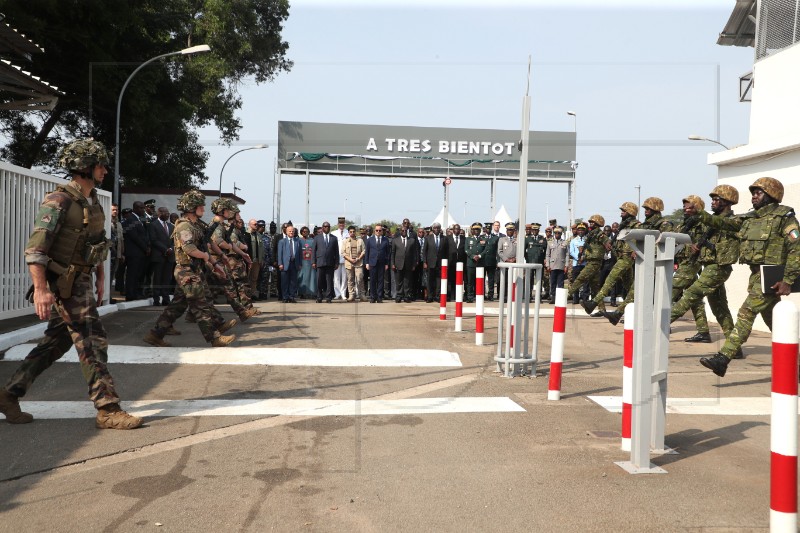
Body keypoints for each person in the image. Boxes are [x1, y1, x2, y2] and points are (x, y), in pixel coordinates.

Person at [0, 138, 141, 429]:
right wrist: (40, 289)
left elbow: (97, 244)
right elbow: (35, 249)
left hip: (83, 279)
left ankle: (9, 393)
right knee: (92, 339)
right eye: (100, 164)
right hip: (66, 283)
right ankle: (108, 408)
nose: (105, 169)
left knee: (56, 341)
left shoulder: (91, 202)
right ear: (84, 167)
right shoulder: (58, 201)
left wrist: (101, 276)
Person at [696, 177, 800, 377]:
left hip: (773, 277)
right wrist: (701, 215)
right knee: (777, 324)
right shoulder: (749, 218)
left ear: (771, 195)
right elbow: (723, 223)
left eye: (758, 192)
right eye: (753, 192)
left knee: (746, 313)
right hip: (757, 275)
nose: (753, 196)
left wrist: (788, 280)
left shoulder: (784, 218)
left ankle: (723, 358)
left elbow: (796, 249)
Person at [144, 190, 237, 349]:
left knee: (179, 306)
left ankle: (155, 334)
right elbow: (189, 249)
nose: (203, 208)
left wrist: (215, 264)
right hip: (186, 272)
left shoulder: (196, 225)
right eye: (200, 205)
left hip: (194, 270)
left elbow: (206, 245)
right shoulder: (184, 226)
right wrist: (206, 257)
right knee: (200, 305)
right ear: (191, 207)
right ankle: (214, 338)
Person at [670, 186, 739, 356]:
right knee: (719, 309)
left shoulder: (734, 220)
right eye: (713, 199)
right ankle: (735, 347)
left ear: (728, 201)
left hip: (719, 267)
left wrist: (699, 213)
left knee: (691, 294)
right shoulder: (711, 222)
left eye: (717, 200)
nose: (713, 202)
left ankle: (659, 324)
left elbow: (719, 222)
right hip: (710, 266)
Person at [582, 202, 639, 319]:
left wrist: (636, 251)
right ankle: (631, 313)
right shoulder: (624, 225)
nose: (621, 212)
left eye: (624, 210)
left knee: (610, 279)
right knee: (630, 289)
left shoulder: (636, 225)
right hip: (620, 256)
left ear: (631, 212)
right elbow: (620, 241)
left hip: (627, 258)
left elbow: (640, 240)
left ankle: (593, 303)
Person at [671, 196, 711, 342]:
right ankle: (703, 332)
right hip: (682, 261)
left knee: (670, 291)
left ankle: (660, 324)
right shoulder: (683, 224)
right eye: (684, 207)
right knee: (695, 299)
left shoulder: (704, 224)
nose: (685, 209)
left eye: (689, 207)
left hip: (691, 263)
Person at [569, 215, 608, 314]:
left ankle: (566, 295)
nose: (591, 223)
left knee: (580, 279)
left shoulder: (600, 235)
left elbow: (608, 244)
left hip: (595, 262)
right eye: (590, 222)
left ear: (598, 223)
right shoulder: (591, 235)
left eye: (593, 222)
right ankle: (602, 309)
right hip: (590, 261)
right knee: (595, 288)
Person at [148, 206, 175, 306]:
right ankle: (156, 299)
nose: (167, 214)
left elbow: (174, 240)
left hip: (169, 257)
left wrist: (171, 249)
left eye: (168, 212)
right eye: (164, 212)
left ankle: (166, 299)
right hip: (159, 256)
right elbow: (154, 240)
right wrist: (165, 249)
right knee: (157, 279)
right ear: (159, 213)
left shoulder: (171, 226)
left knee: (167, 279)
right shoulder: (153, 225)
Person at [122, 200, 149, 301]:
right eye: (141, 208)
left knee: (138, 274)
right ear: (135, 208)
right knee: (132, 274)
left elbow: (143, 235)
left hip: (140, 252)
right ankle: (130, 294)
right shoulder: (130, 219)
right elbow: (135, 237)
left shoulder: (139, 219)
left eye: (143, 208)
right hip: (134, 252)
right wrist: (145, 248)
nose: (143, 210)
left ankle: (135, 293)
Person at [312, 220, 339, 303]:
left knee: (329, 281)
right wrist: (313, 262)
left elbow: (336, 251)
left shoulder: (334, 238)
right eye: (325, 226)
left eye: (328, 226)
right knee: (319, 281)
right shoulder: (317, 238)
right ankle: (319, 297)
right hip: (320, 262)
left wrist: (336, 263)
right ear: (322, 227)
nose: (326, 228)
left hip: (330, 263)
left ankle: (328, 297)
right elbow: (313, 250)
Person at [391, 223, 419, 302]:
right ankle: (399, 295)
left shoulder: (412, 241)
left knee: (407, 281)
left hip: (408, 264)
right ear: (400, 231)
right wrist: (393, 264)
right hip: (398, 264)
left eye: (405, 231)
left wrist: (414, 264)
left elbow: (414, 253)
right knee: (399, 281)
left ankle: (406, 296)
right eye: (402, 230)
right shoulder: (395, 241)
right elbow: (393, 253)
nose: (404, 232)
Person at [424, 222, 449, 302]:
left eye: (438, 228)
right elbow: (424, 251)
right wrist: (425, 262)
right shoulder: (428, 238)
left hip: (440, 264)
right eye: (435, 228)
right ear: (433, 229)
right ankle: (430, 296)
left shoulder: (444, 238)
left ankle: (437, 296)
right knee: (430, 281)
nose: (437, 229)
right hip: (430, 263)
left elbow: (446, 252)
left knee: (439, 281)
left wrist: (446, 263)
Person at [365, 224, 390, 303]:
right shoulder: (370, 240)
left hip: (382, 263)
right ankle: (373, 296)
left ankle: (379, 297)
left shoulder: (385, 240)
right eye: (377, 230)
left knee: (380, 280)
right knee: (372, 280)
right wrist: (367, 263)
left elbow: (387, 253)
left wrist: (387, 263)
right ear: (374, 231)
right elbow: (367, 252)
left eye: (380, 230)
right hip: (372, 262)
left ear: (382, 231)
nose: (378, 232)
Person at [545, 226, 569, 303]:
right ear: (554, 234)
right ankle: (553, 298)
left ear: (561, 234)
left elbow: (567, 255)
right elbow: (547, 255)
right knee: (553, 283)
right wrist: (548, 265)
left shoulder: (565, 243)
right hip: (552, 266)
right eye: (556, 233)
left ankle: (560, 299)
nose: (557, 234)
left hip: (561, 265)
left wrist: (566, 265)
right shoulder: (550, 242)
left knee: (561, 283)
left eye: (559, 233)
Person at [465, 222, 486, 303]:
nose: (476, 231)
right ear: (472, 230)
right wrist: (473, 256)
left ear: (480, 230)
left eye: (478, 229)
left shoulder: (483, 239)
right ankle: (470, 297)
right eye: (475, 229)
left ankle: (479, 296)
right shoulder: (468, 239)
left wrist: (479, 256)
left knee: (480, 281)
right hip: (471, 263)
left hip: (480, 263)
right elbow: (466, 249)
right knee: (470, 282)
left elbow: (485, 250)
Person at [343, 225, 366, 301]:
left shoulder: (360, 240)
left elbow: (364, 251)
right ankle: (351, 295)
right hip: (349, 263)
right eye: (350, 232)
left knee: (359, 279)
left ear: (355, 232)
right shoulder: (345, 241)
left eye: (353, 231)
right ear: (348, 233)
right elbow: (343, 253)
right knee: (350, 279)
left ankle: (362, 295)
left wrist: (358, 258)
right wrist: (350, 259)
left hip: (358, 263)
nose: (352, 233)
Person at [278, 224, 300, 302]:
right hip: (285, 264)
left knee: (293, 281)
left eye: (292, 231)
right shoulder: (282, 241)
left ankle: (292, 296)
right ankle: (285, 297)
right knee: (284, 281)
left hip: (294, 263)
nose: (291, 232)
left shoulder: (297, 241)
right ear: (286, 232)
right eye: (290, 231)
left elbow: (299, 253)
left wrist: (299, 264)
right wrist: (280, 263)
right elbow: (280, 253)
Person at [446, 223, 467, 301]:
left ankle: (458, 296)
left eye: (458, 229)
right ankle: (450, 296)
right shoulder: (447, 238)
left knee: (460, 281)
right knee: (450, 281)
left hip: (461, 263)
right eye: (455, 229)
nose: (457, 230)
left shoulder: (464, 238)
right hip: (451, 263)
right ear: (453, 230)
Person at [244, 219, 264, 300]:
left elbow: (262, 249)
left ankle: (253, 295)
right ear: (250, 225)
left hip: (257, 261)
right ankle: (246, 296)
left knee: (254, 278)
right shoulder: (246, 234)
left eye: (257, 224)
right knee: (246, 278)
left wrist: (261, 260)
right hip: (248, 260)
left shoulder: (259, 235)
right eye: (255, 224)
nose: (256, 225)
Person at [483, 221, 503, 300]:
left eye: (489, 228)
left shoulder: (495, 238)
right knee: (482, 279)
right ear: (485, 229)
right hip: (483, 261)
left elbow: (497, 251)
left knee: (491, 280)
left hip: (491, 261)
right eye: (487, 228)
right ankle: (483, 294)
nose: (488, 230)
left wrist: (497, 261)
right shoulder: (481, 237)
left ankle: (490, 295)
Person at [332, 216, 348, 300]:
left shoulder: (348, 233)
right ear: (338, 224)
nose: (341, 225)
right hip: (336, 258)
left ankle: (343, 293)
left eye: (343, 223)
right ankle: (337, 293)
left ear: (345, 224)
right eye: (340, 223)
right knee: (336, 277)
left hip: (346, 258)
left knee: (344, 277)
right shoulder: (333, 233)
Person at [297, 226, 316, 298]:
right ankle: (302, 293)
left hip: (310, 262)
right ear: (301, 232)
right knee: (302, 278)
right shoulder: (298, 240)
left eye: (307, 231)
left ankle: (312, 293)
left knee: (311, 278)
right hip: (302, 262)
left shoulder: (312, 240)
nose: (305, 233)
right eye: (304, 231)